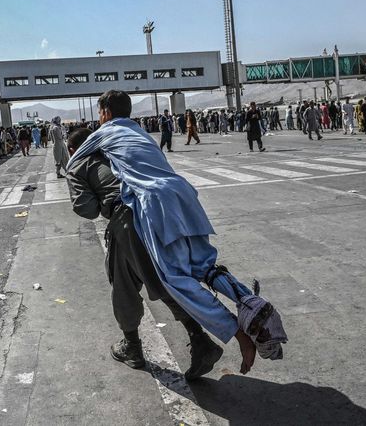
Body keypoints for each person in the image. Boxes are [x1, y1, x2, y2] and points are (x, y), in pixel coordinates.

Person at [66, 90, 287, 377]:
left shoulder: (92, 146)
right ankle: (244, 307)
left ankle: (235, 334)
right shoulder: (136, 135)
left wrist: (80, 175)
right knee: (202, 268)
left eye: (99, 113)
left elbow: (87, 208)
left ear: (105, 113)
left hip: (141, 212)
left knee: (166, 280)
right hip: (183, 199)